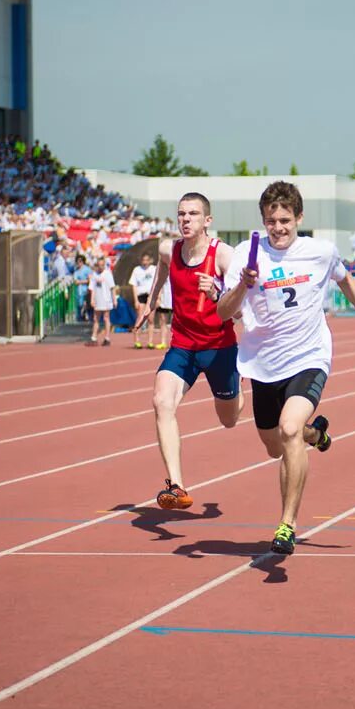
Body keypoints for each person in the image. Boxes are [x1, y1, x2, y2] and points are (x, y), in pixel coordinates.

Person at [216, 181, 355, 555]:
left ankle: (287, 524)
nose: (278, 228)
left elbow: (346, 281)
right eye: (271, 221)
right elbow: (223, 312)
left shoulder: (319, 252)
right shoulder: (244, 256)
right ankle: (316, 435)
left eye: (285, 220)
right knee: (275, 447)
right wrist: (243, 286)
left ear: (299, 217)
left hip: (309, 357)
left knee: (288, 430)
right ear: (263, 221)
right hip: (263, 364)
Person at [137, 193, 245, 509]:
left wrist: (217, 293)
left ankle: (238, 389)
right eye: (181, 213)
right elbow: (161, 268)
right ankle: (177, 485)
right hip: (183, 344)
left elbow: (240, 310)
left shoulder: (223, 255)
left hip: (219, 347)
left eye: (193, 214)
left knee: (229, 420)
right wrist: (151, 299)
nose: (185, 219)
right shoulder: (168, 249)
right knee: (161, 401)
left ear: (207, 220)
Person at [129, 251, 157, 348]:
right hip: (141, 295)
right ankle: (137, 341)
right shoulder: (137, 270)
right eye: (143, 260)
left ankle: (150, 342)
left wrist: (158, 297)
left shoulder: (154, 269)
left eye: (147, 260)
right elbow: (134, 285)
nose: (145, 262)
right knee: (140, 318)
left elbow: (158, 283)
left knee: (151, 319)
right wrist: (136, 300)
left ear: (150, 261)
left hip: (151, 296)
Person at [87, 256, 115, 347]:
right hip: (98, 300)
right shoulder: (94, 275)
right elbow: (92, 288)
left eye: (102, 265)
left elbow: (112, 287)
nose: (100, 267)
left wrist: (114, 299)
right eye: (99, 265)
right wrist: (92, 299)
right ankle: (94, 337)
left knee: (106, 318)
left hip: (106, 299)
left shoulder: (107, 274)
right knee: (96, 319)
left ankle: (107, 338)